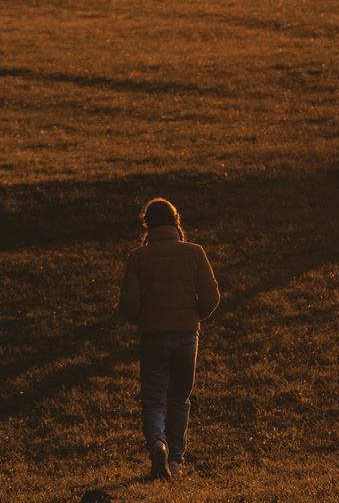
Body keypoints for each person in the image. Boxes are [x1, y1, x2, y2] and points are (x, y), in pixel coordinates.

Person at [117, 197, 220, 481]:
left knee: (153, 400)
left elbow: (128, 304)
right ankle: (175, 462)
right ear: (176, 220)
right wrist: (192, 316)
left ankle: (158, 445)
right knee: (179, 399)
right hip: (187, 336)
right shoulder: (195, 252)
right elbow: (211, 296)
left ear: (147, 223)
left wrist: (144, 320)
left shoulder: (137, 257)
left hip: (153, 337)